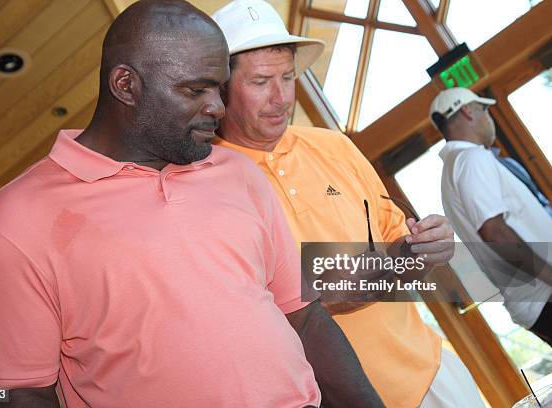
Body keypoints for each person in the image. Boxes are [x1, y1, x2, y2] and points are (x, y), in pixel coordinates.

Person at [0, 1, 384, 407]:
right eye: (195, 89)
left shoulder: (238, 172)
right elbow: (21, 391)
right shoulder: (19, 219)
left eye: (219, 88)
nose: (218, 108)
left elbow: (304, 316)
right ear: (125, 85)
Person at [212, 1, 485, 407]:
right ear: (219, 90)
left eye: (287, 77)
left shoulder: (333, 146)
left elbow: (396, 242)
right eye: (260, 82)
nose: (280, 97)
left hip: (431, 371)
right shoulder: (209, 189)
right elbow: (272, 309)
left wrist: (427, 247)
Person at [431, 87, 552, 345]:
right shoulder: (470, 159)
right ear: (467, 111)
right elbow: (494, 233)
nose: (490, 118)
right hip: (544, 295)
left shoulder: (457, 167)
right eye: (484, 109)